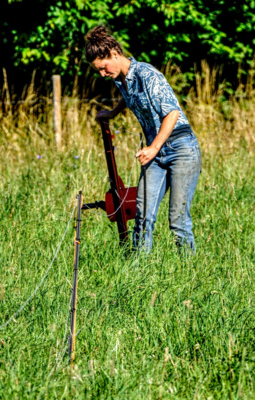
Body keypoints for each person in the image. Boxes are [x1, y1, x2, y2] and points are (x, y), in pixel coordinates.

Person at [85, 26, 201, 253]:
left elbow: (172, 113)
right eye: (98, 70)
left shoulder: (147, 74)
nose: (102, 74)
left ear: (114, 54)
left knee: (177, 219)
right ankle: (138, 272)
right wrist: (112, 113)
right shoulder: (121, 79)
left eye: (103, 67)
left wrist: (153, 147)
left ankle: (190, 269)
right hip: (155, 154)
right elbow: (129, 98)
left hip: (181, 148)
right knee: (143, 215)